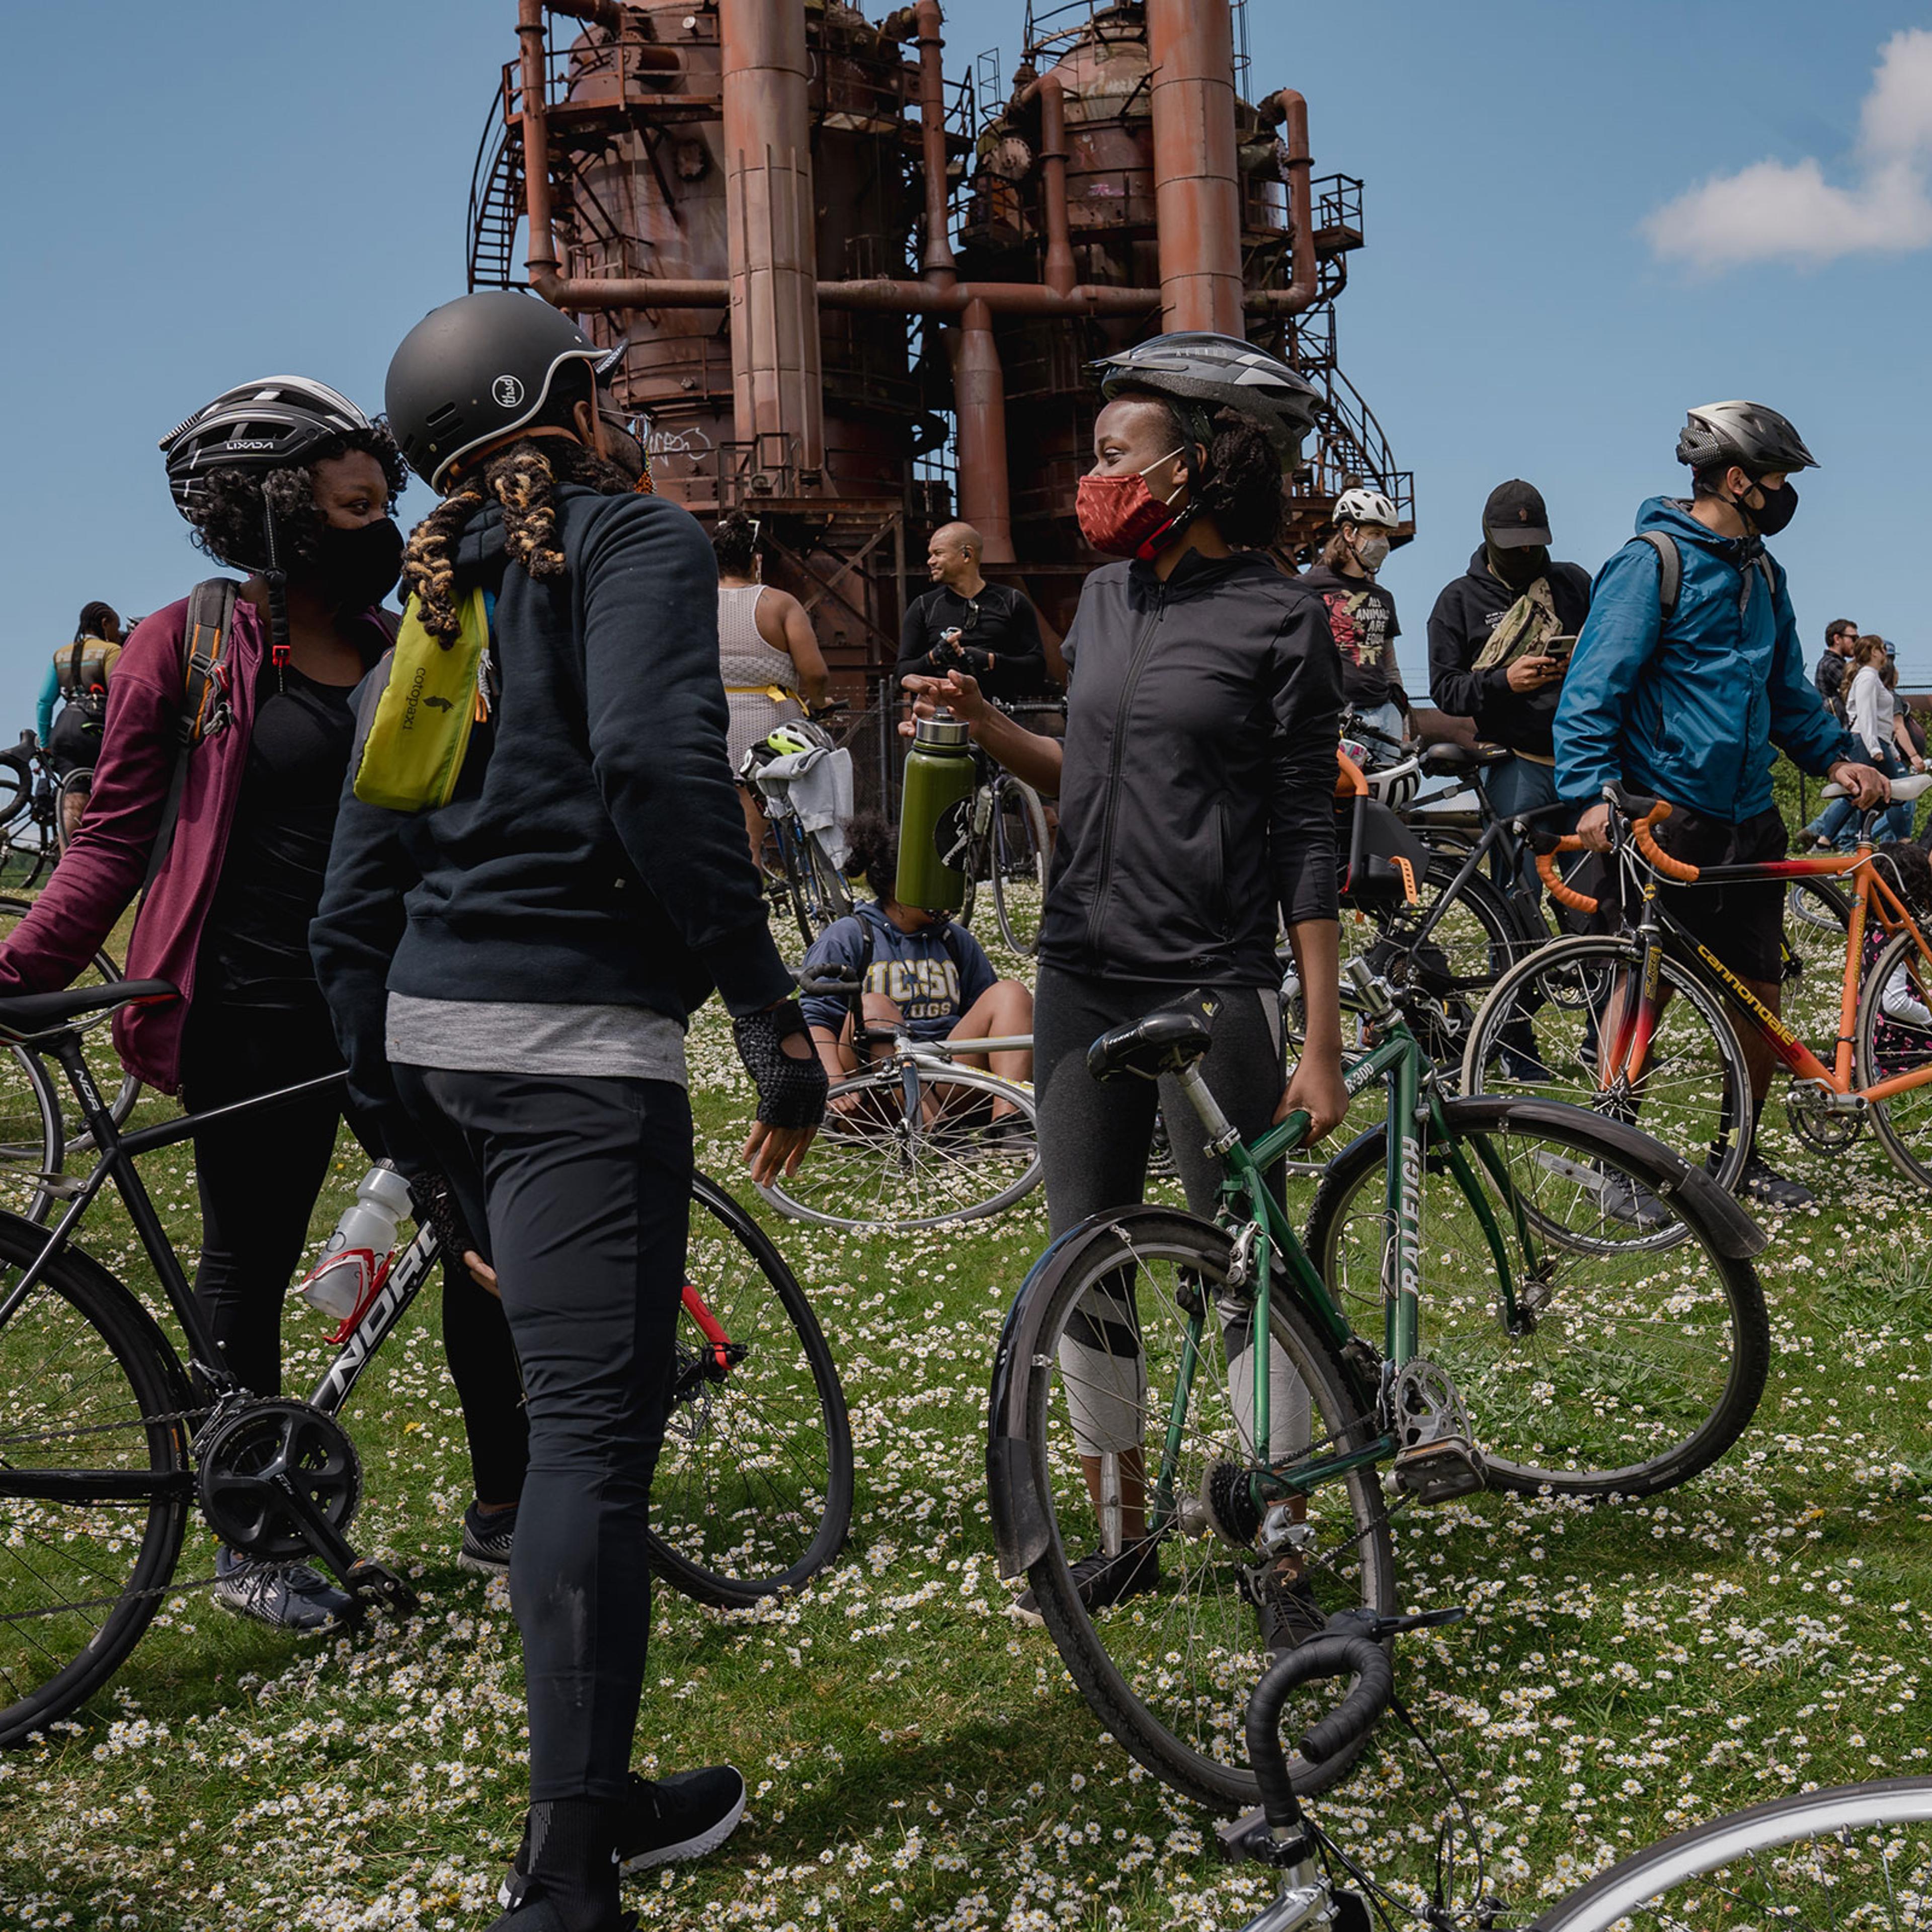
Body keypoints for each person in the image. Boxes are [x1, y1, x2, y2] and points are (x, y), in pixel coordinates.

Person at [316, 290, 828, 1932]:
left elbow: (352, 898)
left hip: (446, 1045)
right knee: (592, 1457)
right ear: (564, 413)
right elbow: (656, 771)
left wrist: (409, 1133)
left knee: (565, 1442)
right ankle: (563, 1876)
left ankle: (595, 1803)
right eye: (602, 396)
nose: (624, 417)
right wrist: (769, 1009)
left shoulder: (438, 594)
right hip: (578, 1059)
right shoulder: (633, 547)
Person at [0, 376, 528, 1631]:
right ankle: (255, 1544)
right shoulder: (180, 644)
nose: (378, 527)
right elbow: (108, 841)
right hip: (248, 1007)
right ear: (278, 512)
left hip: (405, 1001)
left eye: (381, 503)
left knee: (482, 1240)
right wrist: (19, 971)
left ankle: (510, 1511)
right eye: (352, 506)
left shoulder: (416, 640)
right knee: (247, 1263)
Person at [903, 332, 1348, 1650]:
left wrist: (1320, 1039)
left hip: (1214, 978)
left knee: (1246, 1268)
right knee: (1087, 1251)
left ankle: (1284, 1549)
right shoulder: (1103, 605)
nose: (1090, 474)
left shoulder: (1284, 622)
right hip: (1084, 970)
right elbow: (1087, 778)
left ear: (1203, 461)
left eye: (1115, 452)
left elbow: (1306, 843)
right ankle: (1118, 1532)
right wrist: (995, 737)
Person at [1556, 399, 1887, 1210]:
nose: (1784, 496)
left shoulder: (1765, 575)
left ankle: (1738, 1155)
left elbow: (1785, 694)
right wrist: (1591, 794)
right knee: (1649, 987)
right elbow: (1593, 688)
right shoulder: (1652, 562)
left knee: (1760, 994)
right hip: (1671, 816)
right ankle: (1611, 1159)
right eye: (1776, 480)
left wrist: (1838, 759)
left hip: (1750, 818)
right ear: (1736, 480)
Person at [798, 812, 1033, 1111]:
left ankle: (1007, 1123)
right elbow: (816, 1017)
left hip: (946, 1073)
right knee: (874, 1007)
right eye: (933, 881)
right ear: (900, 886)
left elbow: (991, 1014)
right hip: (874, 1085)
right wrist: (834, 1082)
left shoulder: (954, 940)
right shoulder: (850, 935)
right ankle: (927, 1128)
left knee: (1010, 993)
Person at [1426, 480, 1593, 880]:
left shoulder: (1574, 584)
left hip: (1581, 760)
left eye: (1532, 542)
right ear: (1489, 536)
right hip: (1515, 767)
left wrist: (1582, 663)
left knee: (1595, 902)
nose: (1524, 552)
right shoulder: (1459, 601)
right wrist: (1505, 682)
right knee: (1517, 898)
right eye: (1513, 543)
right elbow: (1446, 691)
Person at [714, 509, 829, 867]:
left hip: (711, 723)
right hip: (770, 728)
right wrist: (818, 701)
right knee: (753, 832)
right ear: (756, 561)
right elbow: (815, 672)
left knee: (720, 833)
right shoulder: (780, 604)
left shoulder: (696, 600)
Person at [895, 521, 1052, 703]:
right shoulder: (923, 606)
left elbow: (1037, 667)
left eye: (938, 554)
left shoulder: (1012, 601)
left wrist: (991, 661)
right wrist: (934, 657)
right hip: (944, 718)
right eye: (930, 555)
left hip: (1000, 716)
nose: (930, 561)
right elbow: (902, 674)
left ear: (967, 555)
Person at [1296, 486, 1407, 743]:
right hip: (1335, 717)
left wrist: (1403, 720)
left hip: (1385, 716)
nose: (1383, 544)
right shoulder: (1307, 587)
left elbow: (1390, 667)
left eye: (1387, 535)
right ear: (1349, 533)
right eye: (1376, 533)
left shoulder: (1383, 597)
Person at [38, 601, 125, 841]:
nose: (117, 635)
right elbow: (120, 696)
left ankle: (68, 862)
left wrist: (45, 741)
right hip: (95, 727)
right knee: (114, 793)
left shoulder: (61, 654)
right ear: (105, 624)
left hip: (64, 728)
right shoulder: (111, 652)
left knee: (73, 799)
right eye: (115, 628)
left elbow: (44, 702)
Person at [1845, 633, 1924, 844]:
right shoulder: (1867, 677)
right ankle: (1902, 841)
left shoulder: (1873, 678)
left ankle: (1866, 842)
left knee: (1878, 795)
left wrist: (1892, 750)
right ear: (1874, 652)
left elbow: (1882, 722)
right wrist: (1873, 747)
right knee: (1894, 792)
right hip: (1866, 741)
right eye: (1882, 649)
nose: (1885, 655)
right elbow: (1865, 714)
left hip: (1876, 741)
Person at [1801, 618, 1865, 848]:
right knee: (1853, 789)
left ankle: (1819, 831)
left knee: (1853, 788)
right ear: (1837, 639)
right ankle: (1828, 836)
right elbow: (1856, 686)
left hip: (1840, 728)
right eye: (1854, 638)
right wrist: (1865, 661)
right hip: (1838, 730)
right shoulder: (1831, 664)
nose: (1857, 643)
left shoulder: (1833, 663)